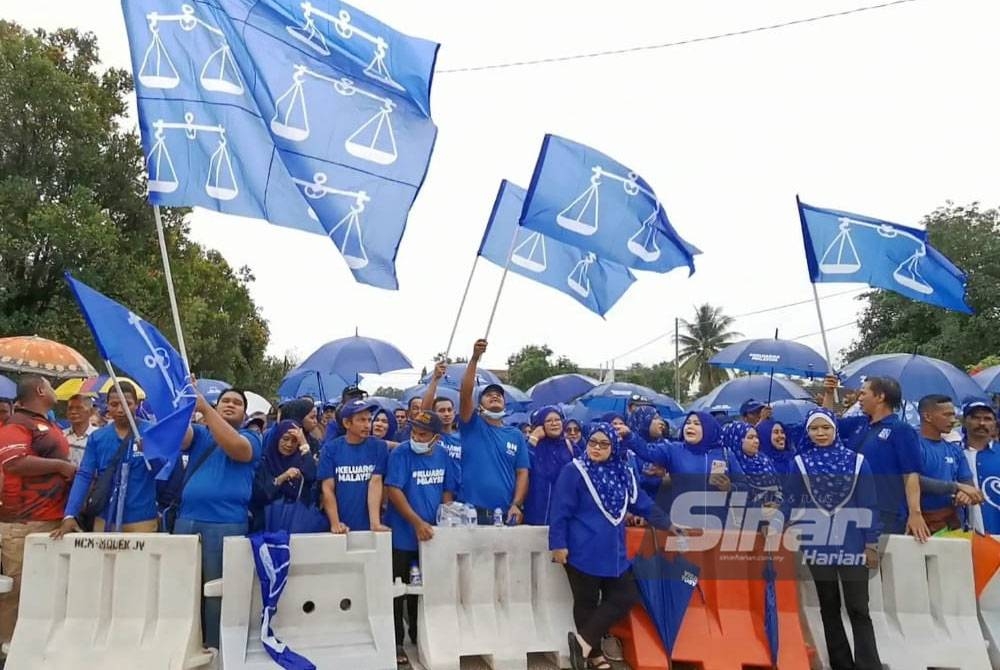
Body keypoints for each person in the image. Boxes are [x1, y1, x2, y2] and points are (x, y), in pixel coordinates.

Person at [549, 422, 671, 670]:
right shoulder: (575, 470)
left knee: (626, 596)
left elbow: (642, 503)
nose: (596, 448)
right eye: (593, 442)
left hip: (613, 550)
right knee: (586, 601)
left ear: (614, 447)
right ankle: (593, 655)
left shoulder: (622, 472)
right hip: (582, 548)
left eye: (604, 444)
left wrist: (668, 522)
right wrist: (558, 544)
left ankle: (582, 643)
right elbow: (560, 510)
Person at [785, 408, 882, 670]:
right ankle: (841, 664)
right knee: (829, 607)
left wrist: (871, 543)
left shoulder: (858, 461)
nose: (820, 433)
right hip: (817, 544)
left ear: (835, 429)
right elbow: (790, 502)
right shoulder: (800, 463)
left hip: (854, 545)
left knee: (859, 608)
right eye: (814, 429)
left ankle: (868, 664)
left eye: (825, 428)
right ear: (808, 432)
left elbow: (869, 504)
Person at [174, 386, 263, 649]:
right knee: (183, 589)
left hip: (225, 523)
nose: (230, 405)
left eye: (237, 402)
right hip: (187, 520)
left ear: (245, 413)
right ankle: (184, 646)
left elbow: (238, 449)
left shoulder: (253, 436)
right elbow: (180, 438)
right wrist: (185, 399)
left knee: (217, 592)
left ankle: (215, 649)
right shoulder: (202, 433)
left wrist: (207, 410)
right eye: (225, 401)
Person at [0, 375, 75, 644]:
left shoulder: (46, 423)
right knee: (18, 593)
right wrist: (60, 467)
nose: (55, 391)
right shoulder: (16, 424)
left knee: (44, 592)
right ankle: (8, 648)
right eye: (52, 386)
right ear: (41, 390)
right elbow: (14, 463)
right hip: (24, 524)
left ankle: (34, 646)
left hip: (51, 521)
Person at [384, 410, 459, 666]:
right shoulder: (401, 453)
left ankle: (420, 638)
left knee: (425, 591)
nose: (416, 437)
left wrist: (443, 518)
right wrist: (416, 522)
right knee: (399, 591)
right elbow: (393, 490)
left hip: (431, 538)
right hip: (403, 536)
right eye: (414, 432)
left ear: (436, 437)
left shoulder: (443, 456)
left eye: (423, 434)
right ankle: (396, 642)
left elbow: (448, 489)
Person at [822, 375, 929, 540]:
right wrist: (829, 394)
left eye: (864, 393)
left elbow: (911, 474)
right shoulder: (859, 424)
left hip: (886, 513)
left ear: (880, 397)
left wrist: (915, 513)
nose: (860, 398)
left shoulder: (901, 430)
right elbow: (824, 424)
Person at [55, 383, 158, 535]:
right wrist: (70, 514)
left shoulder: (152, 433)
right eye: (114, 404)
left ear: (136, 405)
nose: (120, 410)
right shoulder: (98, 437)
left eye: (126, 404)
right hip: (104, 519)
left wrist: (152, 453)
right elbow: (84, 475)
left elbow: (164, 472)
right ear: (107, 406)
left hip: (142, 520)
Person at [629, 411, 744, 530]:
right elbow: (646, 451)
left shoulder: (725, 454)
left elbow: (746, 486)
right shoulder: (674, 450)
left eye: (697, 423)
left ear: (709, 427)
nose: (690, 426)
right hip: (683, 526)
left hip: (718, 527)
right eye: (688, 423)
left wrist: (730, 487)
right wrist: (629, 436)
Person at [458, 339, 530, 525]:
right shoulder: (471, 424)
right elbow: (465, 394)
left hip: (504, 515)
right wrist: (474, 358)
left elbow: (522, 473)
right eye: (488, 395)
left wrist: (517, 504)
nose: (495, 396)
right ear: (479, 405)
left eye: (498, 394)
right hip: (471, 514)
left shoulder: (515, 435)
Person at [318, 399, 389, 533]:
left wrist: (375, 523)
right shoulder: (330, 449)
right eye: (361, 420)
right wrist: (335, 523)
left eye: (369, 420)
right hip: (340, 523)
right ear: (347, 423)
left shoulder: (379, 447)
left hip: (367, 524)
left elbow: (375, 482)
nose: (367, 425)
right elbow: (327, 489)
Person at [915, 395, 983, 532]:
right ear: (927, 416)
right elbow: (913, 481)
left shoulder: (955, 449)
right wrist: (956, 487)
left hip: (952, 525)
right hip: (920, 524)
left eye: (954, 415)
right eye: (947, 415)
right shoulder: (912, 446)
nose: (953, 420)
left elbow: (969, 486)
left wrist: (965, 495)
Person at [523, 405, 575, 526]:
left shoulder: (569, 446)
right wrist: (533, 439)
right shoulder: (533, 446)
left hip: (564, 513)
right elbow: (523, 467)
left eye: (557, 420)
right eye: (548, 421)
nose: (554, 423)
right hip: (536, 513)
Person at [724, 421, 782, 510]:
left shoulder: (763, 459)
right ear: (736, 440)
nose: (756, 441)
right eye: (750, 438)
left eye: (757, 437)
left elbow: (779, 486)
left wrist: (777, 504)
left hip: (773, 513)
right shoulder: (730, 464)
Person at [962, 400, 1000, 533]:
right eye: (976, 418)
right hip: (961, 534)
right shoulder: (953, 453)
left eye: (988, 419)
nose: (982, 423)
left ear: (995, 424)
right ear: (964, 421)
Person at [420, 361, 461, 460]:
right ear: (433, 414)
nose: (446, 414)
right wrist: (435, 378)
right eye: (442, 410)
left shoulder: (462, 438)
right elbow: (424, 412)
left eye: (449, 410)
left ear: (454, 413)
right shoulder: (430, 435)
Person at [63, 393, 97, 465]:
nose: (73, 412)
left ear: (91, 412)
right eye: (70, 408)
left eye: (79, 408)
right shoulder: (62, 435)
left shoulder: (98, 436)